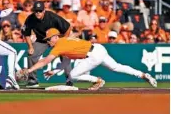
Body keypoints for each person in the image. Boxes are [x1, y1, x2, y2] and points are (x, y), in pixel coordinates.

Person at [17, 28, 157, 90]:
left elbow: (44, 61)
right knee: (117, 67)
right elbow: (66, 60)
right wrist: (55, 70)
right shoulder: (64, 42)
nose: (48, 42)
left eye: (49, 39)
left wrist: (29, 70)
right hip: (98, 49)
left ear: (55, 37)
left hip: (93, 54)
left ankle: (98, 80)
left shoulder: (59, 44)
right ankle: (143, 75)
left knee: (72, 76)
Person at [22, 1, 73, 87]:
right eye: (36, 11)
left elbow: (67, 27)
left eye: (40, 11)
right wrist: (30, 47)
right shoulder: (30, 19)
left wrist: (64, 41)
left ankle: (69, 80)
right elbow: (26, 33)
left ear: (44, 11)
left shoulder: (52, 17)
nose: (38, 13)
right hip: (42, 40)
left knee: (65, 56)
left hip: (57, 39)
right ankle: (33, 80)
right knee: (32, 54)